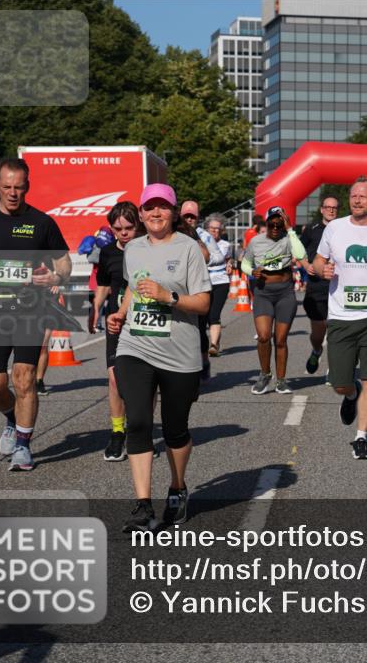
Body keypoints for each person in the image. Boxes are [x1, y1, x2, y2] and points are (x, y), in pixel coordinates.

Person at [0, 158, 71, 471]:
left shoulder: (42, 222)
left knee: (24, 379)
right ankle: (11, 417)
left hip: (29, 311)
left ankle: (22, 445)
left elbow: (64, 261)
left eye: (19, 187)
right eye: (6, 186)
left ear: (27, 187)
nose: (12, 193)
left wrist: (56, 278)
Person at [108, 183, 211, 532]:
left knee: (174, 429)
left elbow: (203, 303)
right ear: (140, 213)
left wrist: (169, 296)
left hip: (179, 353)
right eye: (149, 207)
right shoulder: (132, 248)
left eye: (162, 207)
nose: (155, 213)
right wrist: (121, 313)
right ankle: (141, 505)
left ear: (173, 212)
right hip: (135, 346)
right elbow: (131, 289)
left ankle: (178, 487)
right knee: (137, 421)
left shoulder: (189, 250)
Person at [313, 178, 367, 459]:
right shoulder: (334, 228)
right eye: (353, 195)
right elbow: (318, 261)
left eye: (363, 196)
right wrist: (321, 269)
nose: (357, 200)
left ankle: (361, 436)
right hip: (340, 315)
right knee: (339, 381)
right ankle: (350, 394)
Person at [92, 201, 144, 461]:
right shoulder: (108, 252)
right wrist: (96, 307)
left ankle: (141, 432)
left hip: (144, 321)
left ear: (138, 225)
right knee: (114, 379)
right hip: (116, 322)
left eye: (129, 227)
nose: (123, 233)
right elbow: (103, 284)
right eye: (117, 228)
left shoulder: (149, 249)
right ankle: (116, 433)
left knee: (144, 384)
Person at [242, 208, 306, 394]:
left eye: (280, 224)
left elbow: (301, 255)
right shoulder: (256, 241)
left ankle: (281, 380)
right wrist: (251, 271)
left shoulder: (288, 239)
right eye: (272, 224)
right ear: (266, 223)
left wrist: (291, 230)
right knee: (263, 336)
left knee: (280, 339)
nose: (276, 227)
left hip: (285, 293)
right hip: (263, 293)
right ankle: (264, 374)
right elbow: (245, 263)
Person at [298, 196, 339, 378]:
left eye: (334, 208)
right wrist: (307, 266)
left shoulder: (343, 229)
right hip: (316, 289)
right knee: (317, 334)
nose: (331, 210)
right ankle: (316, 351)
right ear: (321, 209)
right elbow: (298, 252)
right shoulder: (311, 230)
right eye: (327, 207)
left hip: (337, 287)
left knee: (335, 331)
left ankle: (335, 369)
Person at [181, 201, 211, 380]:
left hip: (199, 287)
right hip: (178, 288)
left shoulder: (200, 235)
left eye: (193, 217)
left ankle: (203, 361)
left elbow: (208, 257)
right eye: (186, 216)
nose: (189, 220)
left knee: (199, 329)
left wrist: (195, 243)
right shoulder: (172, 232)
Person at [198, 214, 233, 357]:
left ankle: (213, 345)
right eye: (212, 229)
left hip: (221, 282)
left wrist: (229, 264)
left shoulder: (226, 245)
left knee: (214, 315)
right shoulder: (199, 243)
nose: (216, 232)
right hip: (203, 282)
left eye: (218, 229)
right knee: (203, 317)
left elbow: (229, 260)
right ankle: (209, 342)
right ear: (206, 229)